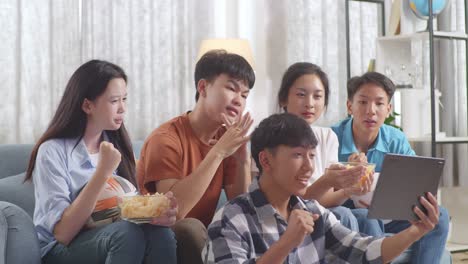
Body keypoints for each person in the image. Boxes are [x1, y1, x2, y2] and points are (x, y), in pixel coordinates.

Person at [203, 113, 441, 263]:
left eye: (312, 155)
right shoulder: (231, 219)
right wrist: (286, 243)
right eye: (298, 155)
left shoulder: (314, 212)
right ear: (265, 160)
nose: (309, 167)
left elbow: (367, 252)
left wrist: (416, 231)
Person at [25, 60, 177, 264]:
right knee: (127, 233)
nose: (122, 108)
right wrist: (103, 172)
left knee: (161, 233)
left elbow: (122, 209)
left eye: (124, 99)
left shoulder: (117, 145)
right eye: (114, 101)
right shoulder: (52, 151)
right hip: (59, 250)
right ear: (88, 105)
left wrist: (154, 213)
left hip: (110, 234)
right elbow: (63, 233)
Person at [136, 50, 254, 264]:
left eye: (244, 95)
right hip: (158, 236)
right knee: (190, 228)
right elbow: (175, 212)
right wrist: (218, 152)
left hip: (202, 238)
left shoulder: (226, 138)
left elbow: (240, 210)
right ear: (202, 87)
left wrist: (242, 159)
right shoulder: (165, 139)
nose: (238, 100)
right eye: (231, 88)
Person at [331, 71, 450, 264]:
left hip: (391, 213)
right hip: (351, 212)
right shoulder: (332, 138)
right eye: (362, 102)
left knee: (440, 216)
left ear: (388, 109)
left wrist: (424, 197)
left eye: (379, 103)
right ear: (349, 106)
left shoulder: (395, 138)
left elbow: (415, 182)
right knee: (366, 218)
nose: (371, 110)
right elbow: (321, 191)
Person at [276, 62, 372, 232]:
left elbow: (325, 199)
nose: (310, 103)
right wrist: (328, 181)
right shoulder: (271, 135)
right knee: (343, 214)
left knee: (367, 217)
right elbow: (291, 201)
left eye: (318, 96)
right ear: (284, 98)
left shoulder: (327, 136)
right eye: (301, 94)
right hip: (288, 212)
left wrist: (349, 190)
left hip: (320, 209)